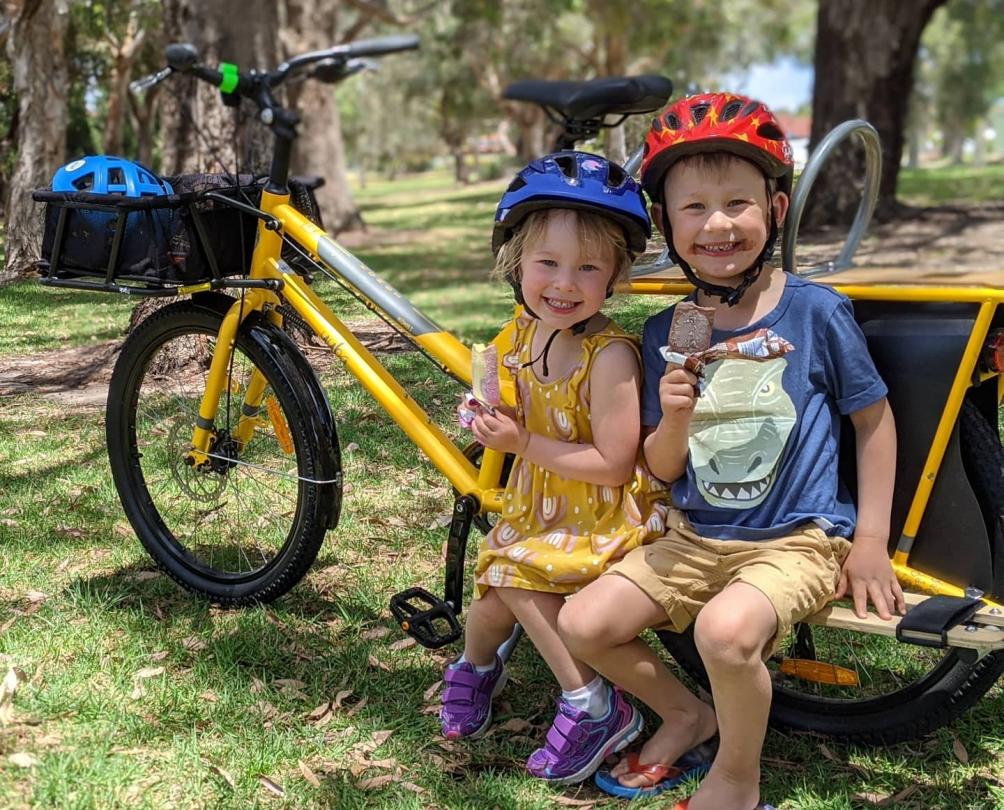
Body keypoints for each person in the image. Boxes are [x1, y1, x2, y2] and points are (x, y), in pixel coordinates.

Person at [556, 93, 905, 809]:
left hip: (797, 542)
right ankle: (689, 714)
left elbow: (873, 422)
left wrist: (869, 541)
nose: (718, 224)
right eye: (695, 208)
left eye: (738, 203)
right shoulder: (668, 329)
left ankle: (737, 781)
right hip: (695, 536)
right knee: (582, 623)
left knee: (723, 630)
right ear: (666, 223)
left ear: (775, 211)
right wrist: (676, 417)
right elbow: (662, 467)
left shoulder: (815, 311)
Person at [439, 151, 669, 785]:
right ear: (517, 263)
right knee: (488, 609)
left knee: (509, 571)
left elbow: (614, 465)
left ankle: (592, 701)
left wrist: (518, 444)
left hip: (600, 516)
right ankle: (477, 668)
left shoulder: (610, 355)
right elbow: (507, 393)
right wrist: (489, 411)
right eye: (548, 263)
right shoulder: (522, 331)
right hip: (541, 509)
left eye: (587, 268)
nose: (564, 285)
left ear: (615, 275)